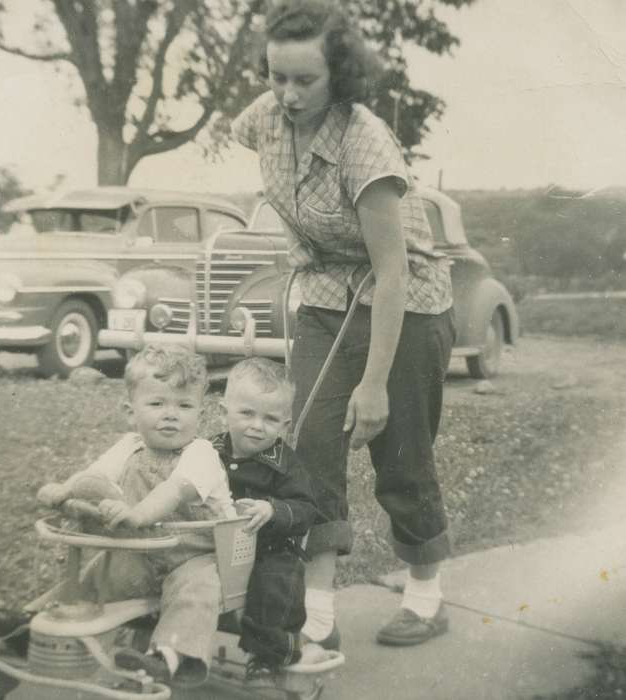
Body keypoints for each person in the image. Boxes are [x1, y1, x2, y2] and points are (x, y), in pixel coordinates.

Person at [231, 0, 456, 650]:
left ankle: (425, 594)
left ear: (341, 75)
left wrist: (376, 385)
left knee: (400, 453)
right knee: (306, 447)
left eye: (306, 81)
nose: (288, 94)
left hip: (405, 301)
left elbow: (390, 273)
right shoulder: (264, 121)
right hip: (327, 291)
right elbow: (255, 150)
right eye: (277, 77)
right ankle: (317, 615)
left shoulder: (365, 143)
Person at [36, 343, 236, 687]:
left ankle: (167, 658)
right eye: (157, 403)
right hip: (142, 552)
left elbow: (174, 491)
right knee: (91, 577)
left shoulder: (201, 453)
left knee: (197, 589)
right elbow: (95, 476)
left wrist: (137, 514)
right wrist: (66, 489)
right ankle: (28, 627)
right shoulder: (129, 446)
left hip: (196, 554)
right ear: (131, 412)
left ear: (200, 415)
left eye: (184, 405)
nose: (171, 414)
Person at [211, 357, 318, 679]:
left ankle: (270, 656)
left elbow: (305, 509)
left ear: (285, 425)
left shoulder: (286, 465)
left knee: (273, 587)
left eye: (270, 418)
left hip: (269, 549)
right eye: (246, 413)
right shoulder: (207, 451)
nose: (257, 425)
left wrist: (273, 509)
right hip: (215, 545)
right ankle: (168, 642)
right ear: (223, 411)